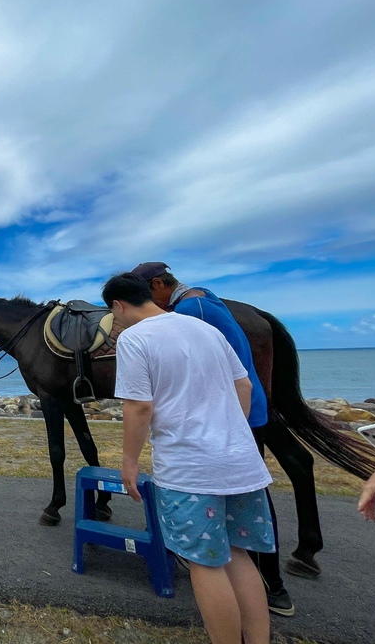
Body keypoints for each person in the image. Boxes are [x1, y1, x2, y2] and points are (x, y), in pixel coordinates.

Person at [103, 273, 274, 644]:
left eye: (113, 315)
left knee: (206, 563)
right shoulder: (203, 328)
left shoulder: (135, 338)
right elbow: (243, 385)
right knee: (239, 556)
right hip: (240, 461)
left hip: (191, 469)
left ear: (118, 305)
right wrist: (229, 431)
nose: (115, 322)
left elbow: (139, 406)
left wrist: (129, 462)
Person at [131, 261, 296, 616]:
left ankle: (272, 587)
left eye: (148, 296)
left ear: (158, 285)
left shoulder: (190, 310)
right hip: (240, 409)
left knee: (238, 508)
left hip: (231, 417)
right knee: (244, 498)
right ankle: (268, 586)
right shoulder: (205, 297)